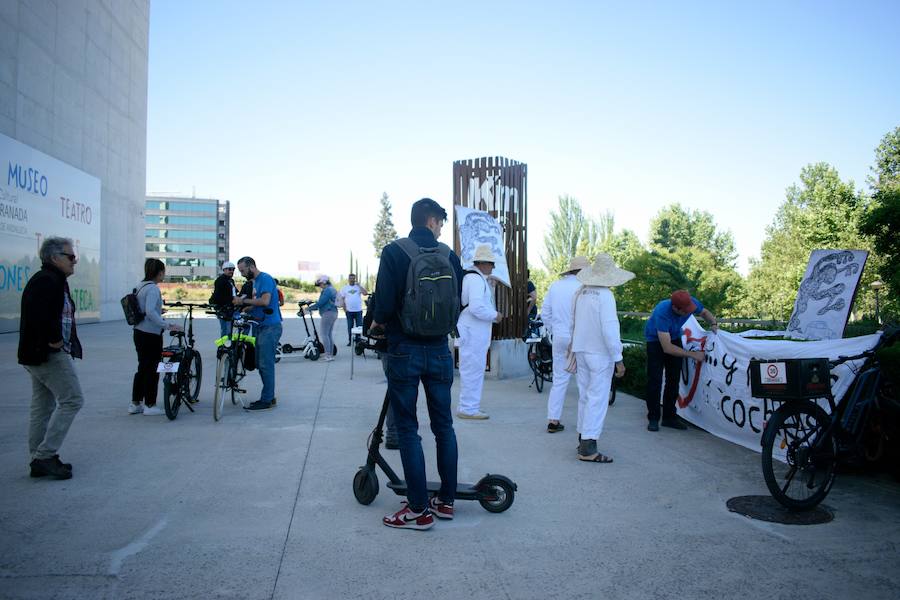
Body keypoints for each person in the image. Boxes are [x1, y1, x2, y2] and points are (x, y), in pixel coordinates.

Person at [371, 197, 463, 530]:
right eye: (440, 221)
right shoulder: (449, 256)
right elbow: (459, 301)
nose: (441, 227)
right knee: (444, 426)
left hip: (404, 349)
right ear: (430, 220)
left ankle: (419, 509)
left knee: (408, 428)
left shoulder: (395, 252)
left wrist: (378, 324)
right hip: (440, 349)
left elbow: (382, 304)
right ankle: (447, 501)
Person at [18, 237, 84, 479]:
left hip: (37, 354)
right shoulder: (47, 281)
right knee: (73, 400)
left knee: (43, 406)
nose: (74, 260)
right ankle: (44, 456)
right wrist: (54, 340)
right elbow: (41, 316)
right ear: (54, 257)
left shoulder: (53, 280)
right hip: (47, 354)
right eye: (70, 256)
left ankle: (38, 457)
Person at [570, 254, 634, 462]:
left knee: (585, 396)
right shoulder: (605, 296)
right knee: (597, 399)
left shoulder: (581, 292)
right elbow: (610, 330)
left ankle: (582, 438)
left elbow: (573, 322)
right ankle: (588, 447)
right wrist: (618, 358)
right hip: (599, 353)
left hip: (582, 349)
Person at [644, 289, 718, 431]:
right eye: (685, 311)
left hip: (675, 336)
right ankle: (653, 418)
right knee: (655, 380)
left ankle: (669, 417)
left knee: (674, 379)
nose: (688, 313)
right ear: (675, 308)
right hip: (655, 341)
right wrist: (693, 354)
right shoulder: (662, 312)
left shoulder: (690, 303)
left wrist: (713, 324)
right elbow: (667, 347)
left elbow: (704, 313)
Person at [541, 256, 590, 433]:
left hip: (560, 336)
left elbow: (545, 313)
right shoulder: (586, 288)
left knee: (559, 379)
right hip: (580, 337)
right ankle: (585, 426)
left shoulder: (556, 286)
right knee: (583, 381)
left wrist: (553, 329)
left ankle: (553, 420)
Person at [131, 258, 182, 416]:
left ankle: (135, 403)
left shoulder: (140, 285)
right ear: (159, 272)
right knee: (153, 369)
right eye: (163, 272)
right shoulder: (153, 288)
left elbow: (145, 309)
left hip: (139, 332)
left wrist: (159, 313)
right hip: (150, 334)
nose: (163, 275)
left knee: (142, 368)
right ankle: (150, 405)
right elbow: (150, 311)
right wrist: (167, 325)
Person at [456, 244, 501, 420]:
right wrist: (494, 315)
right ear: (483, 263)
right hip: (473, 331)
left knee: (473, 368)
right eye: (491, 264)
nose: (493, 267)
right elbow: (476, 307)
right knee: (473, 369)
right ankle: (468, 408)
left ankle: (469, 406)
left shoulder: (475, 278)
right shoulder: (475, 279)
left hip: (473, 331)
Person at [233, 256, 283, 410]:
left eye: (243, 270)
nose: (241, 274)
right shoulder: (256, 282)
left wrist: (243, 301)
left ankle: (266, 400)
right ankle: (269, 396)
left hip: (270, 327)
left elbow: (265, 301)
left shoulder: (265, 278)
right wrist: (245, 309)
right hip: (261, 326)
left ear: (251, 266)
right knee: (260, 364)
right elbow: (258, 304)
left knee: (265, 364)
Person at [310, 275, 339, 362]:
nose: (320, 286)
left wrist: (308, 308)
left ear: (324, 282)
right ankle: (329, 354)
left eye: (320, 284)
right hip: (333, 312)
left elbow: (321, 303)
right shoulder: (333, 289)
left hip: (328, 313)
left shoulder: (327, 290)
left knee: (324, 334)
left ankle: (328, 355)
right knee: (329, 334)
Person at [211, 261, 238, 336]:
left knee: (229, 330)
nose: (231, 271)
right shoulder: (220, 280)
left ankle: (228, 345)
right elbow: (219, 296)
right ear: (224, 270)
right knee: (226, 330)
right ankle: (224, 346)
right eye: (229, 269)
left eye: (233, 269)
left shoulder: (231, 280)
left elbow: (234, 293)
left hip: (230, 308)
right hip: (224, 309)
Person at [339, 273, 368, 346]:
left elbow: (365, 293)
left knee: (359, 327)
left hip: (358, 310)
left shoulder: (358, 287)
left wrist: (359, 286)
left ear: (355, 279)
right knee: (350, 327)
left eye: (353, 278)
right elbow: (342, 299)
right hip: (349, 311)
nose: (352, 280)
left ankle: (358, 341)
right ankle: (350, 341)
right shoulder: (345, 288)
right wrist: (344, 309)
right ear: (348, 279)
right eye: (350, 278)